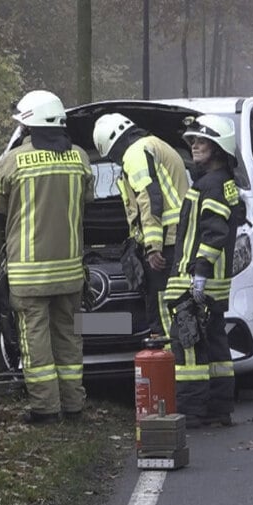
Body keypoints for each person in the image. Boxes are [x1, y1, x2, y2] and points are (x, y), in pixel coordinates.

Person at [0, 90, 95, 424]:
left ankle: (46, 409)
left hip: (29, 274)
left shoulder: (13, 160)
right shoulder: (80, 158)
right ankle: (74, 404)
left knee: (36, 340)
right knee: (69, 336)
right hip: (71, 271)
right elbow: (87, 201)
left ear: (28, 125)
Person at [163, 114, 245, 428]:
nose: (195, 145)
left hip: (195, 281)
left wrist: (199, 272)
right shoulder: (222, 182)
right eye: (194, 141)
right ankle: (219, 407)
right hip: (212, 285)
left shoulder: (211, 184)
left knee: (189, 348)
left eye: (202, 141)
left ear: (219, 147)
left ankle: (192, 411)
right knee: (215, 346)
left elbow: (214, 233)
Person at [92, 113, 190, 337]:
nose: (117, 161)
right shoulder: (153, 144)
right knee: (174, 305)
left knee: (163, 309)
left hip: (167, 242)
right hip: (177, 237)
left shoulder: (135, 153)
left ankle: (168, 358)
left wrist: (152, 245)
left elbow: (149, 197)